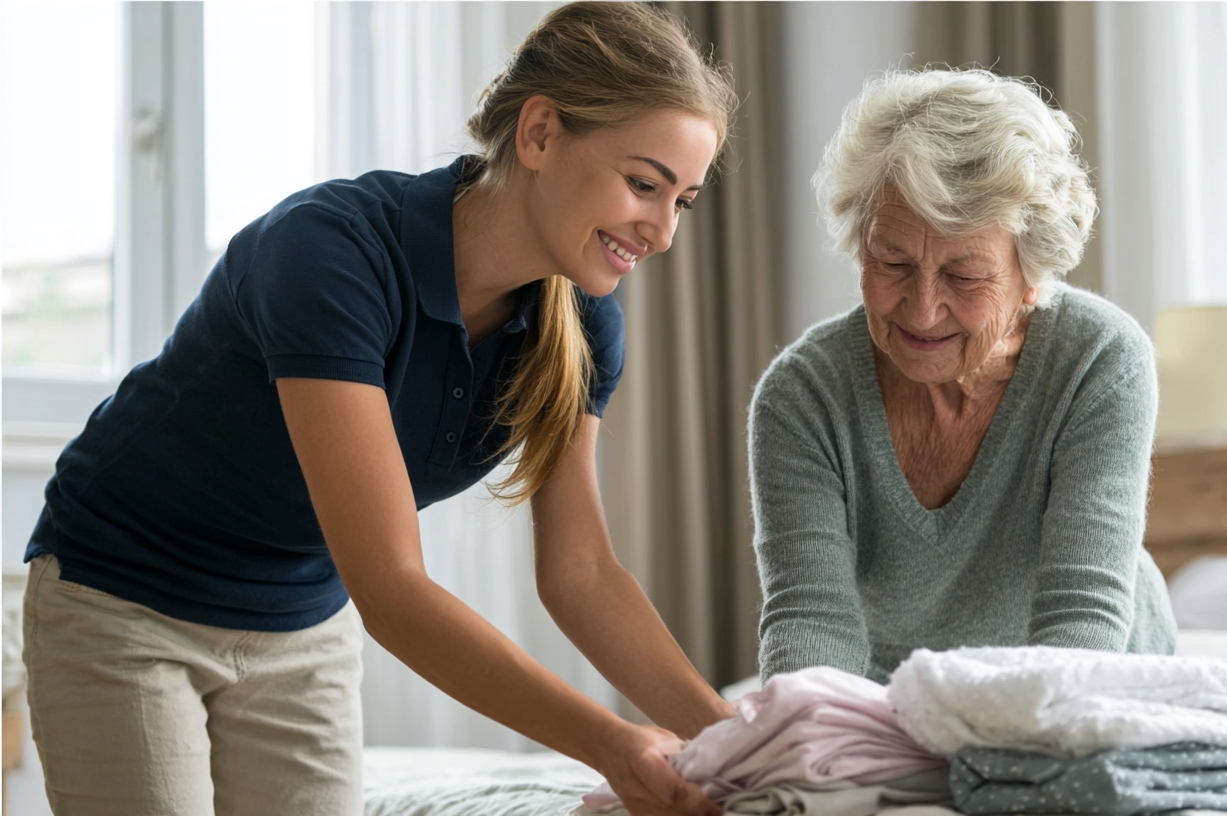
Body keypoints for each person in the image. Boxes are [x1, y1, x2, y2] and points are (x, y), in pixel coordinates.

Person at [21, 4, 738, 815]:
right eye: (644, 184)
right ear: (538, 134)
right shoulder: (330, 254)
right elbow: (392, 587)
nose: (664, 232)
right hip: (127, 598)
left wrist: (740, 740)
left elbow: (580, 572)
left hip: (300, 621)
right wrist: (610, 743)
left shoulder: (583, 327)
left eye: (683, 201)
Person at [750, 68, 1177, 686]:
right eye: (892, 261)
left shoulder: (1099, 362)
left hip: (1100, 697)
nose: (922, 310)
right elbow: (811, 624)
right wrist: (813, 751)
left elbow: (1081, 618)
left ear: (1032, 273)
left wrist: (1018, 762)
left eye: (966, 275)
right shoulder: (802, 397)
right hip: (905, 709)